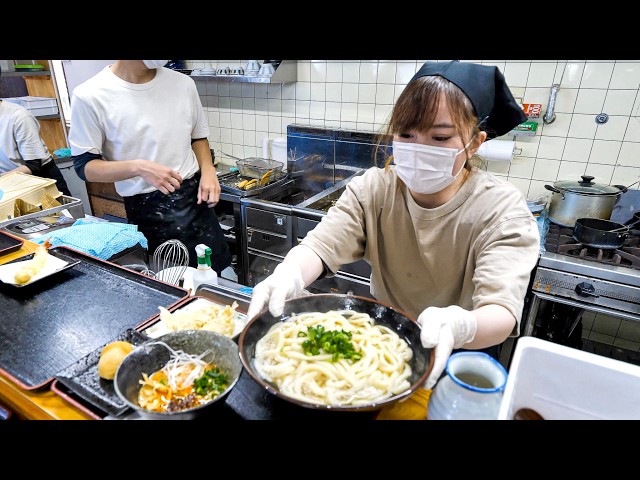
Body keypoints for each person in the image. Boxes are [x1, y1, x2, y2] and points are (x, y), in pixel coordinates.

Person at [246, 60, 541, 390]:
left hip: (461, 351)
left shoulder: (501, 209)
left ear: (474, 143)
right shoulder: (375, 189)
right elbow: (321, 246)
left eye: (440, 137)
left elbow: (501, 311)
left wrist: (462, 325)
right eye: (406, 134)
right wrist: (290, 274)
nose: (419, 149)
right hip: (386, 339)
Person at [68, 60, 231, 273]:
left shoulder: (183, 84)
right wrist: (139, 167)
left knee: (215, 278)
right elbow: (85, 166)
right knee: (168, 287)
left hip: (195, 201)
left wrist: (209, 171)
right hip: (147, 210)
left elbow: (198, 137)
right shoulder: (90, 95)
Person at [0, 98, 72, 196]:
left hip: (41, 180)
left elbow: (33, 166)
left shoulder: (19, 116)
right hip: (10, 184)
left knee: (63, 211)